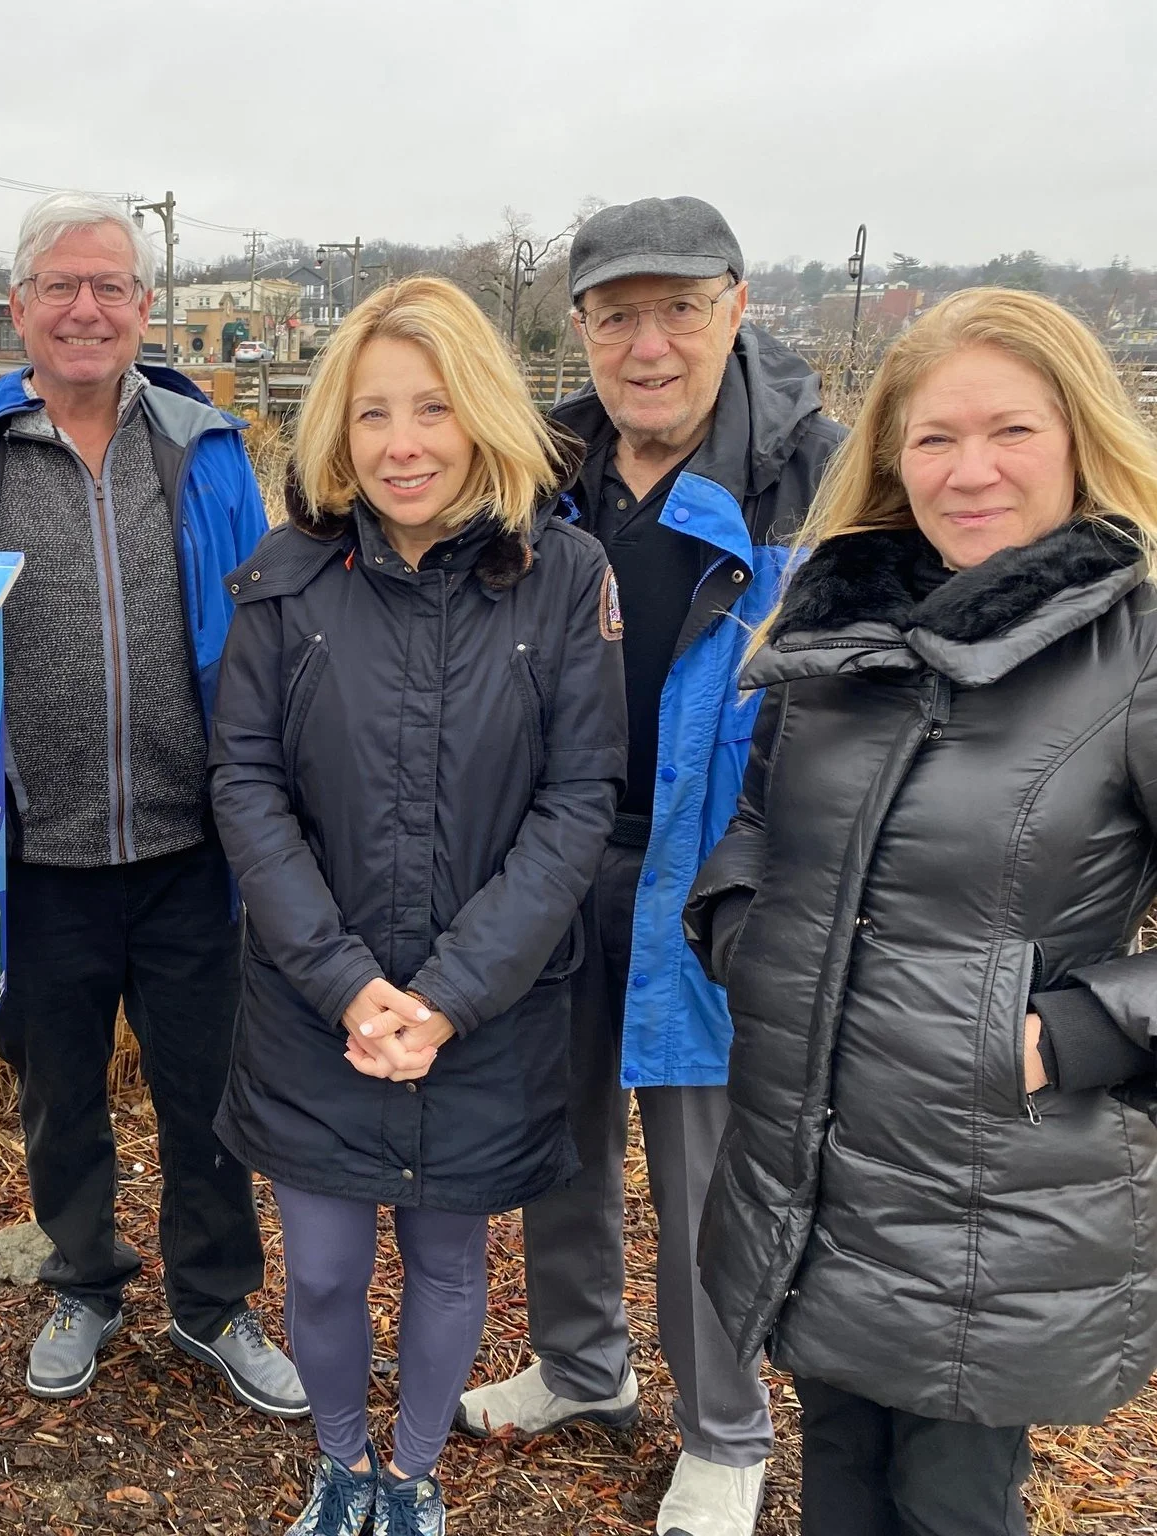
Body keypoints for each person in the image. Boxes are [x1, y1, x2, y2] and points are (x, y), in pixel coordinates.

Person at [684, 287, 1157, 1536]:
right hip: (815, 1161)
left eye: (1008, 432)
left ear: (1076, 437)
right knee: (836, 1479)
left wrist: (1071, 1035)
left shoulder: (1136, 654)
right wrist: (743, 938)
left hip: (986, 1187)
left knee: (950, 1502)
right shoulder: (835, 632)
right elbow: (750, 823)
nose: (969, 472)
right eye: (933, 439)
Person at [212, 275, 625, 1535]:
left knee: (449, 1262)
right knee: (327, 1272)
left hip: (483, 1011)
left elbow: (577, 800)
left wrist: (445, 997)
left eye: (432, 409)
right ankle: (342, 1465)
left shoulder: (560, 575)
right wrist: (344, 982)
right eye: (373, 412)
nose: (402, 444)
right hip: (312, 1006)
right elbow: (245, 781)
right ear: (336, 424)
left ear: (480, 415)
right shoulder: (286, 580)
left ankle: (412, 1473)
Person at [457, 196, 842, 1536]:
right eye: (618, 314)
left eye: (679, 307)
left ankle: (727, 1433)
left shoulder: (816, 475)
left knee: (703, 1173)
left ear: (738, 305)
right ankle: (582, 1365)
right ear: (582, 330)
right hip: (559, 858)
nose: (650, 343)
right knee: (558, 1139)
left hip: (716, 877)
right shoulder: (543, 466)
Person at [0, 191, 300, 1413]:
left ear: (139, 308)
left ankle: (213, 1300)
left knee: (207, 1096)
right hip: (35, 853)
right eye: (59, 288)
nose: (84, 308)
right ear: (17, 310)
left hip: (189, 847)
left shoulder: (204, 446)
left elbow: (259, 630)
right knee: (59, 1094)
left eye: (108, 287)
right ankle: (84, 1278)